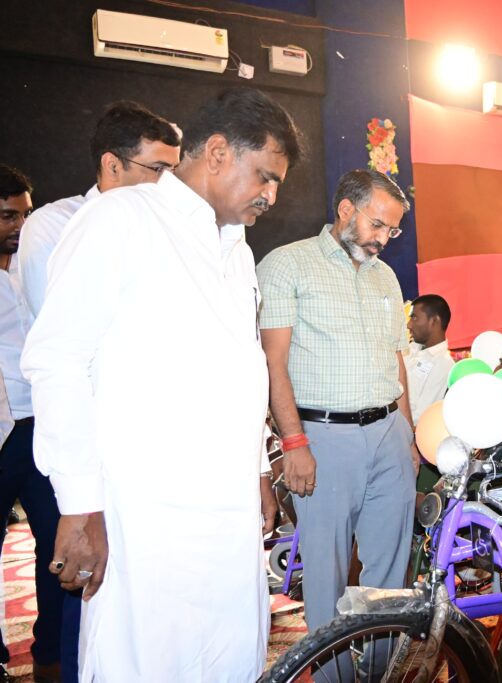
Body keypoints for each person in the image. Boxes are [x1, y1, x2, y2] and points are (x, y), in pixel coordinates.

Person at [21, 87, 300, 681]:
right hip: (145, 517)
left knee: (229, 659)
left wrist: (257, 468)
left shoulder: (236, 249)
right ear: (218, 152)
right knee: (144, 660)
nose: (271, 196)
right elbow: (58, 360)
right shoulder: (122, 218)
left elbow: (239, 367)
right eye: (266, 176)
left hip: (227, 516)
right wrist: (79, 504)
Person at [257, 168, 417, 634]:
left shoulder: (386, 276)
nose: (383, 239)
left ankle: (381, 666)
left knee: (390, 573)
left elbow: (396, 359)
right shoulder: (287, 265)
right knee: (326, 572)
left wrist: (407, 437)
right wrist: (293, 442)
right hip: (322, 438)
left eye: (392, 230)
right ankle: (332, 668)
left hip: (389, 434)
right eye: (377, 224)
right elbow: (272, 363)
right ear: (346, 209)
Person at [16, 100, 181, 318]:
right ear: (113, 166)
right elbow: (57, 320)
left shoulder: (171, 225)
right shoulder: (53, 224)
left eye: (174, 171)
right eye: (158, 169)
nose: (170, 183)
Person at [0, 166, 63, 683]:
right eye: (7, 216)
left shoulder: (38, 262)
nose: (20, 226)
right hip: (1, 430)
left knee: (60, 543)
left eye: (24, 214)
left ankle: (52, 655)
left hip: (42, 425)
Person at [403, 293, 454, 425]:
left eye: (414, 317)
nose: (409, 325)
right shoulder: (409, 349)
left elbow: (420, 418)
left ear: (434, 321)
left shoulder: (444, 365)